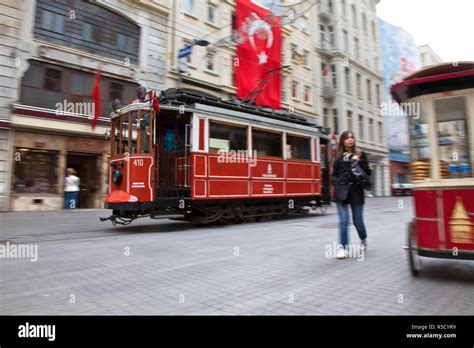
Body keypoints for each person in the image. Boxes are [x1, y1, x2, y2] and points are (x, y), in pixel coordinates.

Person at [332, 131, 371, 259]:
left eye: (352, 137)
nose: (350, 140)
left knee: (357, 222)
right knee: (343, 221)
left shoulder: (360, 155)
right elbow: (334, 176)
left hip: (356, 192)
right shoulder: (338, 157)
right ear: (342, 141)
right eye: (347, 138)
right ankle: (343, 249)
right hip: (341, 192)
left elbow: (367, 173)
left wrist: (358, 162)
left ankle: (363, 238)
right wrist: (337, 183)